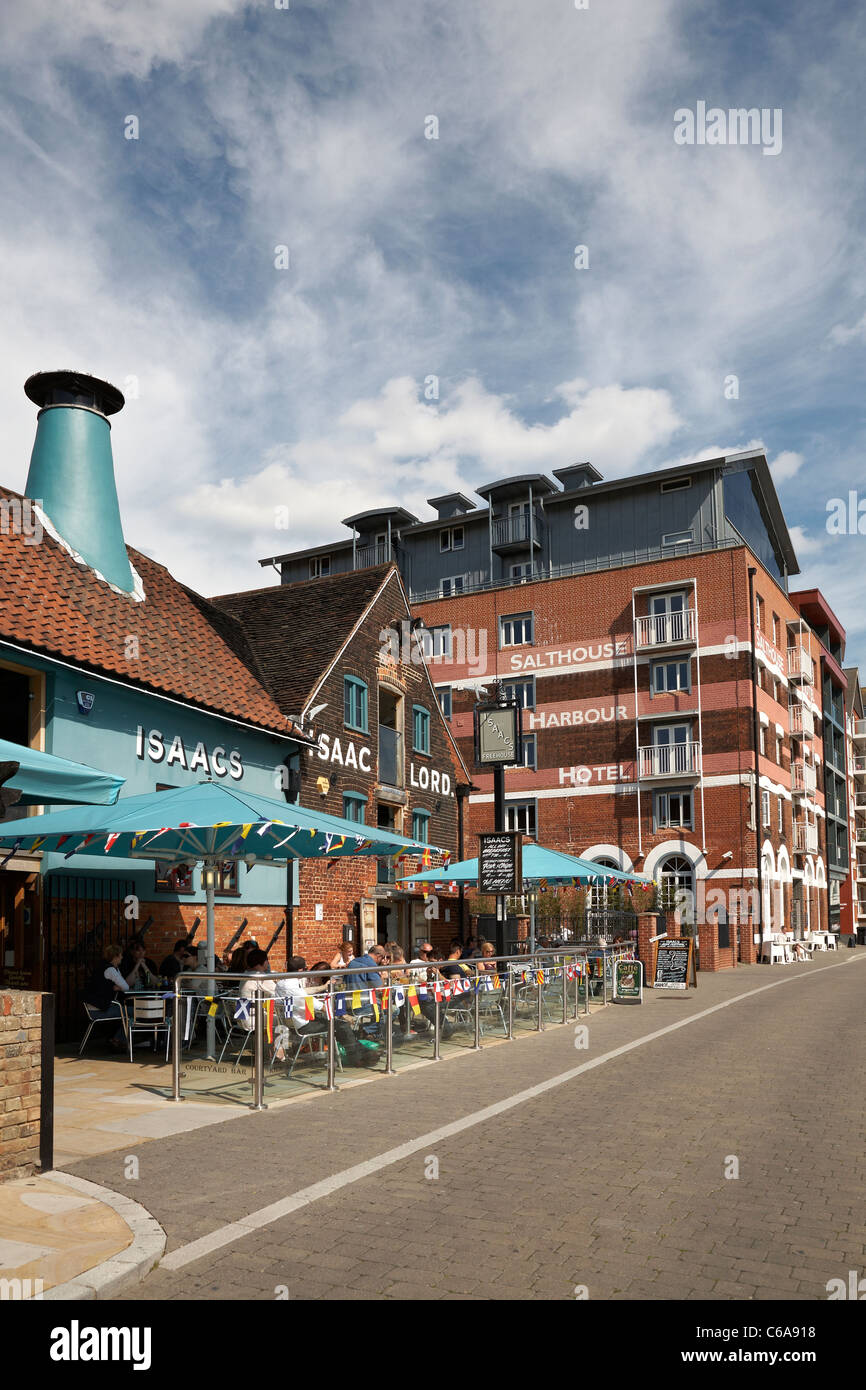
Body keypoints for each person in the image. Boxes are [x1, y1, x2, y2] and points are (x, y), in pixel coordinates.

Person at [272, 954, 377, 1067]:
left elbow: (303, 993)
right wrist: (339, 1013)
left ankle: (362, 1053)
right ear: (301, 970)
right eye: (306, 969)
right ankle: (357, 1058)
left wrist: (322, 988)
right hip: (303, 1025)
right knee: (342, 1026)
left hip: (291, 1022)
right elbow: (316, 1005)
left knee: (338, 1026)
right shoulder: (292, 987)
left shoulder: (281, 983)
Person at [82, 944, 131, 1049]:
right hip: (99, 1009)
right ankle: (118, 1039)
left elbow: (121, 985)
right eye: (121, 955)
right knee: (133, 1012)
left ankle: (118, 1039)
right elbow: (126, 987)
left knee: (127, 1010)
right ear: (116, 956)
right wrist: (117, 987)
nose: (122, 957)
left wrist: (117, 987)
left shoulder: (104, 967)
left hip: (95, 1007)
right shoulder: (110, 970)